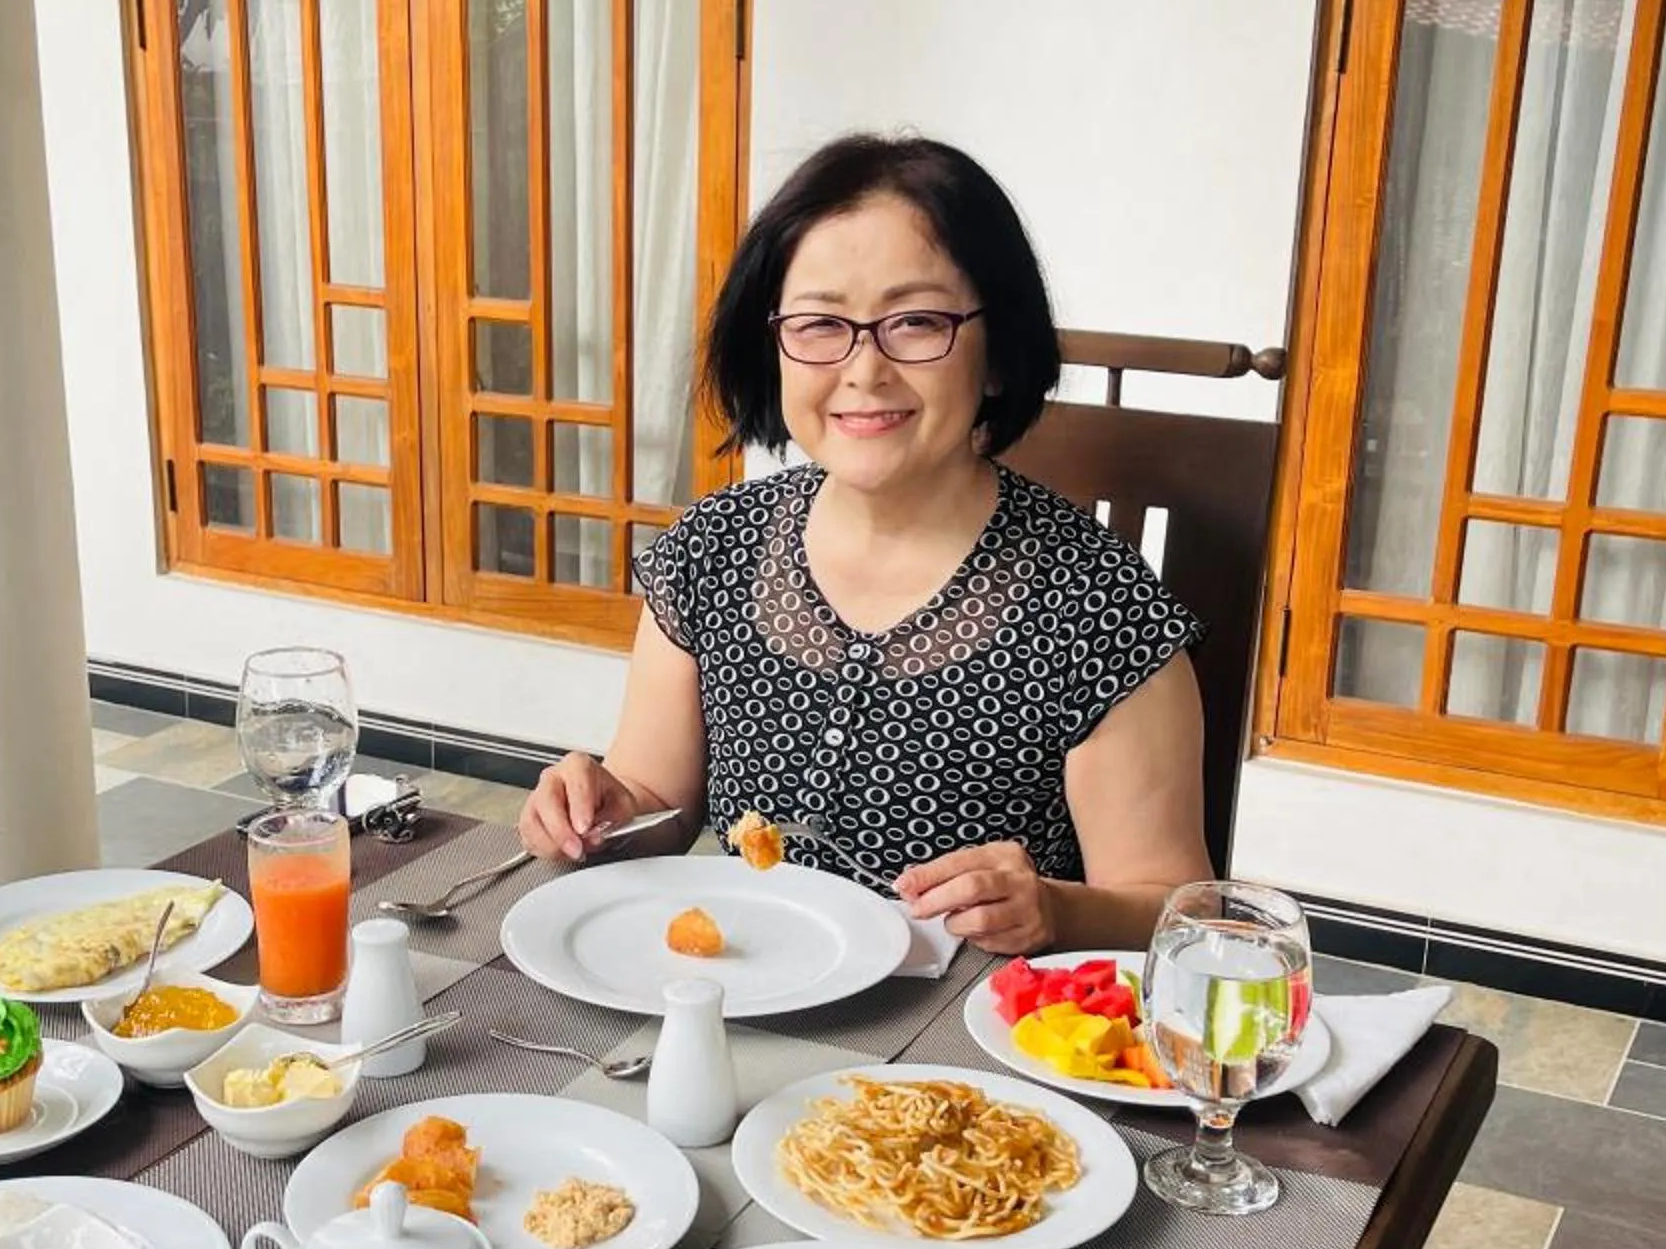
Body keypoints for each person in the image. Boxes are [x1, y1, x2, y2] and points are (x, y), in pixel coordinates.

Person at [519, 133, 1211, 952]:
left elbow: (1180, 911)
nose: (864, 368)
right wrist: (597, 810)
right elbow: (655, 808)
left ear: (996, 354)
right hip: (742, 993)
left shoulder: (1097, 605)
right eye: (819, 324)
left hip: (965, 1051)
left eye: (916, 322)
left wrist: (1058, 909)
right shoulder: (711, 551)